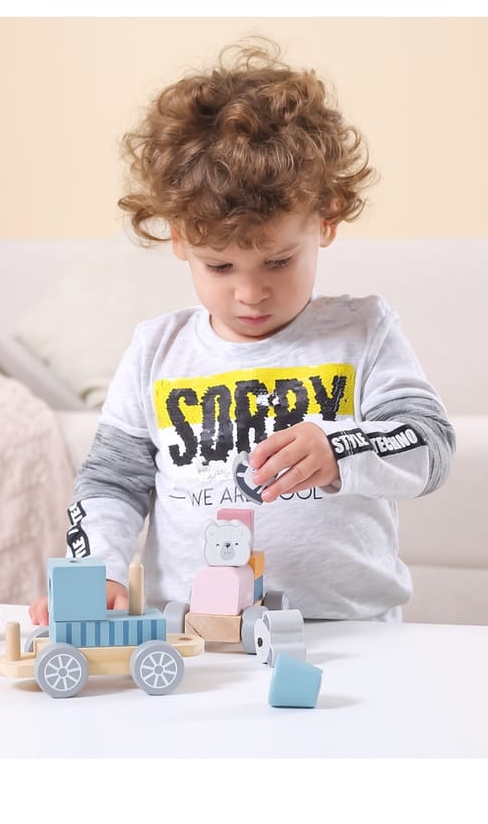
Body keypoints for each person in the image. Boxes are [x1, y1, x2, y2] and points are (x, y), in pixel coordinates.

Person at [29, 39, 455, 625]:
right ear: (179, 237)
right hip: (195, 634)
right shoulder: (157, 350)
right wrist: (98, 570)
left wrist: (340, 447)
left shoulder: (363, 330)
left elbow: (431, 446)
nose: (251, 293)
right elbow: (112, 482)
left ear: (325, 219)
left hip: (350, 629)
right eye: (220, 266)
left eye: (278, 262)